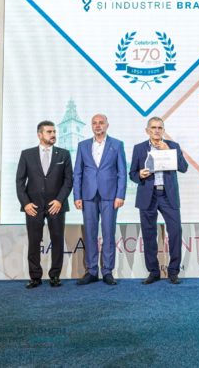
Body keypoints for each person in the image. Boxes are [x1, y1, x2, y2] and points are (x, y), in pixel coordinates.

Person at [130, 117, 188, 285]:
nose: (156, 130)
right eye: (153, 128)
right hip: (148, 195)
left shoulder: (173, 146)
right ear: (147, 130)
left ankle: (173, 272)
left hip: (168, 195)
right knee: (149, 234)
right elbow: (132, 174)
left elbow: (184, 168)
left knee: (175, 232)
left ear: (163, 130)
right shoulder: (139, 148)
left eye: (160, 128)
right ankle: (153, 271)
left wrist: (168, 150)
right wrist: (140, 175)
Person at [16, 120, 73, 289]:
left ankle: (55, 276)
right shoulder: (27, 154)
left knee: (57, 241)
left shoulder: (64, 154)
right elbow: (19, 181)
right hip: (33, 207)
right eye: (49, 132)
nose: (53, 134)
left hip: (56, 205)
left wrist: (59, 200)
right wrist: (26, 204)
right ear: (39, 134)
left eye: (54, 131)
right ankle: (35, 277)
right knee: (34, 242)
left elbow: (69, 181)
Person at [73, 114, 127, 286]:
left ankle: (107, 271)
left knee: (108, 232)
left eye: (101, 123)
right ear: (91, 126)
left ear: (107, 125)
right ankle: (91, 271)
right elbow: (77, 172)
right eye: (94, 123)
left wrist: (120, 195)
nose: (97, 126)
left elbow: (122, 172)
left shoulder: (117, 145)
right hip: (88, 195)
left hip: (110, 196)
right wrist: (77, 196)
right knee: (90, 233)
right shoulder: (82, 145)